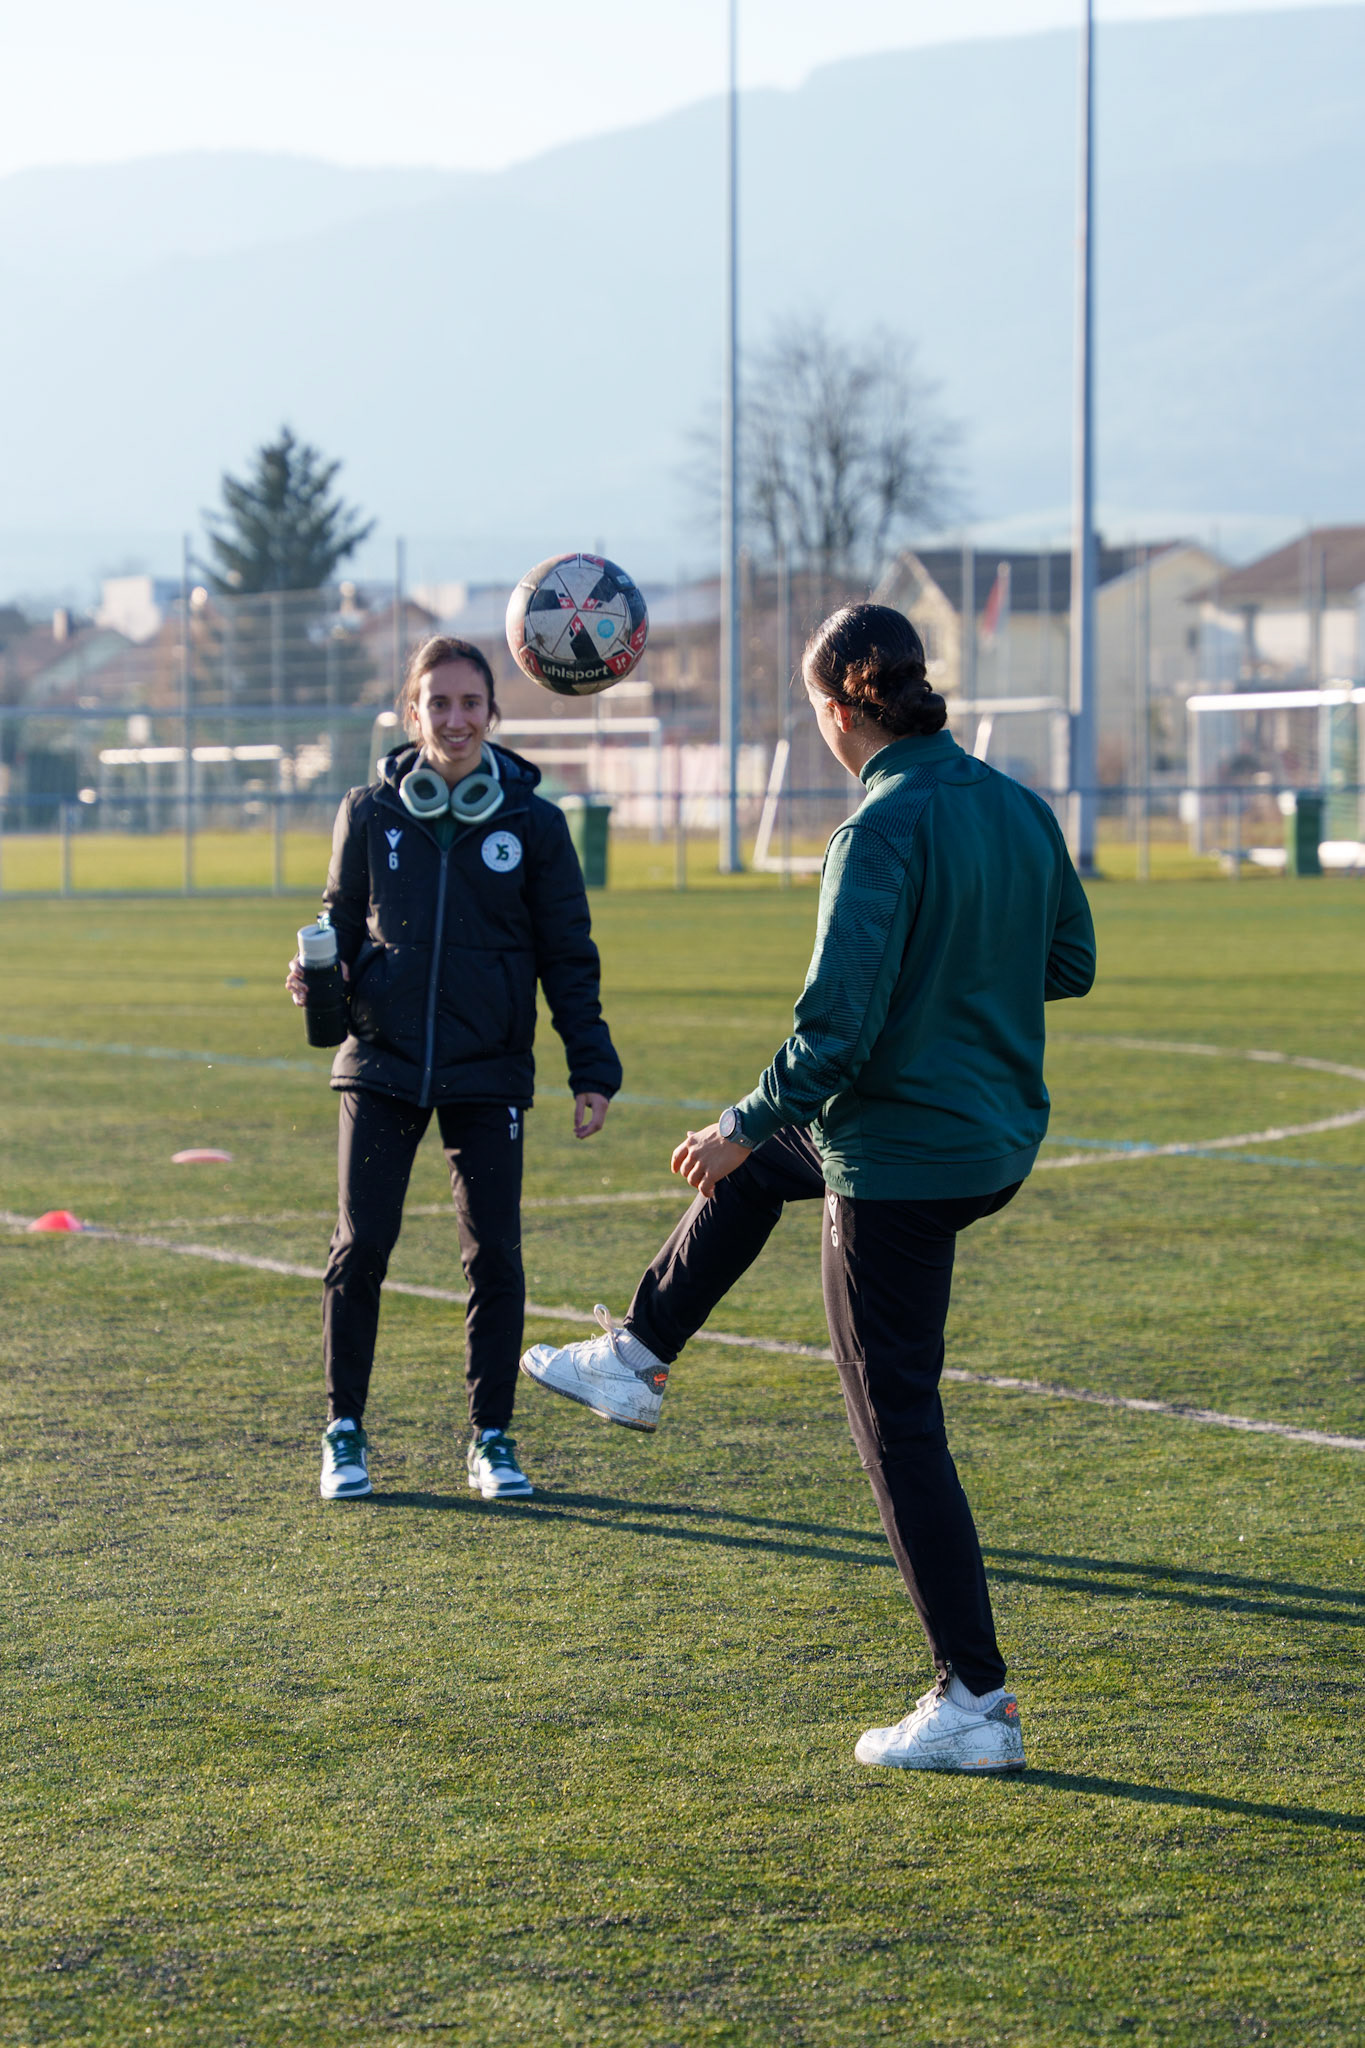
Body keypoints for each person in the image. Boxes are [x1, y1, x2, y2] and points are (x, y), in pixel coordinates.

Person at [523, 603, 1095, 1772]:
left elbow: (834, 1035)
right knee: (769, 1168)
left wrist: (740, 1118)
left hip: (902, 1163)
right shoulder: (1016, 804)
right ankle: (636, 1357)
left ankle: (975, 1699)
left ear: (842, 702)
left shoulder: (878, 828)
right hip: (989, 1139)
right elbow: (1069, 961)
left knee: (898, 1422)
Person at [287, 634, 621, 1505]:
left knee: (495, 1259)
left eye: (470, 702)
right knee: (360, 1247)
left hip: (489, 1069)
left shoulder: (535, 826)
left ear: (493, 714)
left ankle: (492, 1440)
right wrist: (318, 974)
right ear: (413, 715)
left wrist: (592, 1065)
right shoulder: (368, 813)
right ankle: (343, 1430)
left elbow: (568, 955)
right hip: (382, 1063)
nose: (456, 718)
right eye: (438, 703)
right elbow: (341, 925)